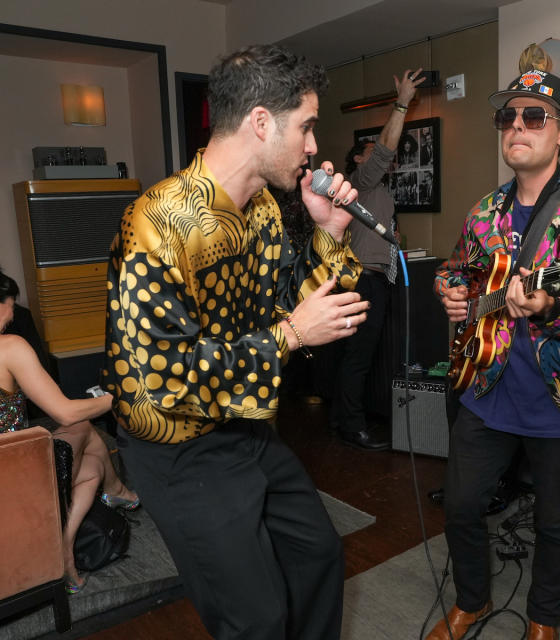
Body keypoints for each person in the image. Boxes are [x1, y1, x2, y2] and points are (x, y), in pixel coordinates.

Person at [100, 44, 371, 640]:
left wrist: (329, 233)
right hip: (177, 444)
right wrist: (292, 334)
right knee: (255, 619)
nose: (313, 147)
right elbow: (165, 377)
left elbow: (293, 308)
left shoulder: (266, 212)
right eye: (306, 127)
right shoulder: (158, 222)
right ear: (260, 122)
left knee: (317, 555)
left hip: (243, 425)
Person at [429, 68, 560, 640]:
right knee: (462, 507)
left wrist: (549, 307)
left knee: (557, 523)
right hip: (486, 387)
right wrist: (449, 292)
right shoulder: (483, 211)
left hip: (558, 398)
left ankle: (543, 621)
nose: (517, 126)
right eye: (509, 116)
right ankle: (473, 600)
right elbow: (456, 269)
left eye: (534, 116)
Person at [0, 270, 139, 594]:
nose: (11, 317)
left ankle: (68, 547)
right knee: (81, 425)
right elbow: (64, 411)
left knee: (91, 467)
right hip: (15, 480)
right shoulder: (9, 347)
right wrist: (113, 400)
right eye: (10, 306)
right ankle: (117, 493)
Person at [331, 68, 425, 450]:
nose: (383, 159)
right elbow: (384, 149)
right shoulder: (360, 180)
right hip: (361, 281)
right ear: (357, 159)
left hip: (376, 279)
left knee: (361, 356)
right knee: (358, 358)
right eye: (372, 153)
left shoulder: (379, 193)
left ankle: (345, 417)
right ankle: (351, 427)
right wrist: (402, 102)